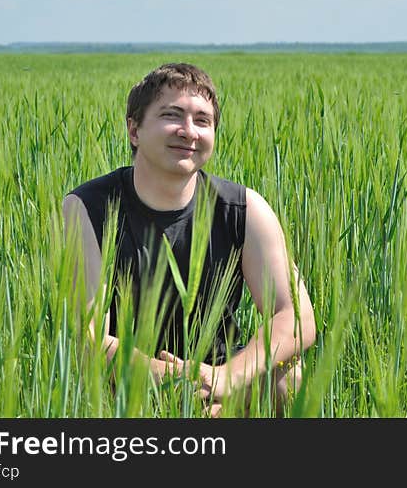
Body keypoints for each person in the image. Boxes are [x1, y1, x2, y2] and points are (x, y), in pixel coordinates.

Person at [62, 62, 316, 416]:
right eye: (172, 115)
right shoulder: (88, 208)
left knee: (289, 380)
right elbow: (87, 339)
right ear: (134, 130)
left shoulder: (243, 208)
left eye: (203, 120)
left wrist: (226, 378)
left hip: (224, 380)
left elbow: (296, 315)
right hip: (130, 381)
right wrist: (177, 380)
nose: (189, 131)